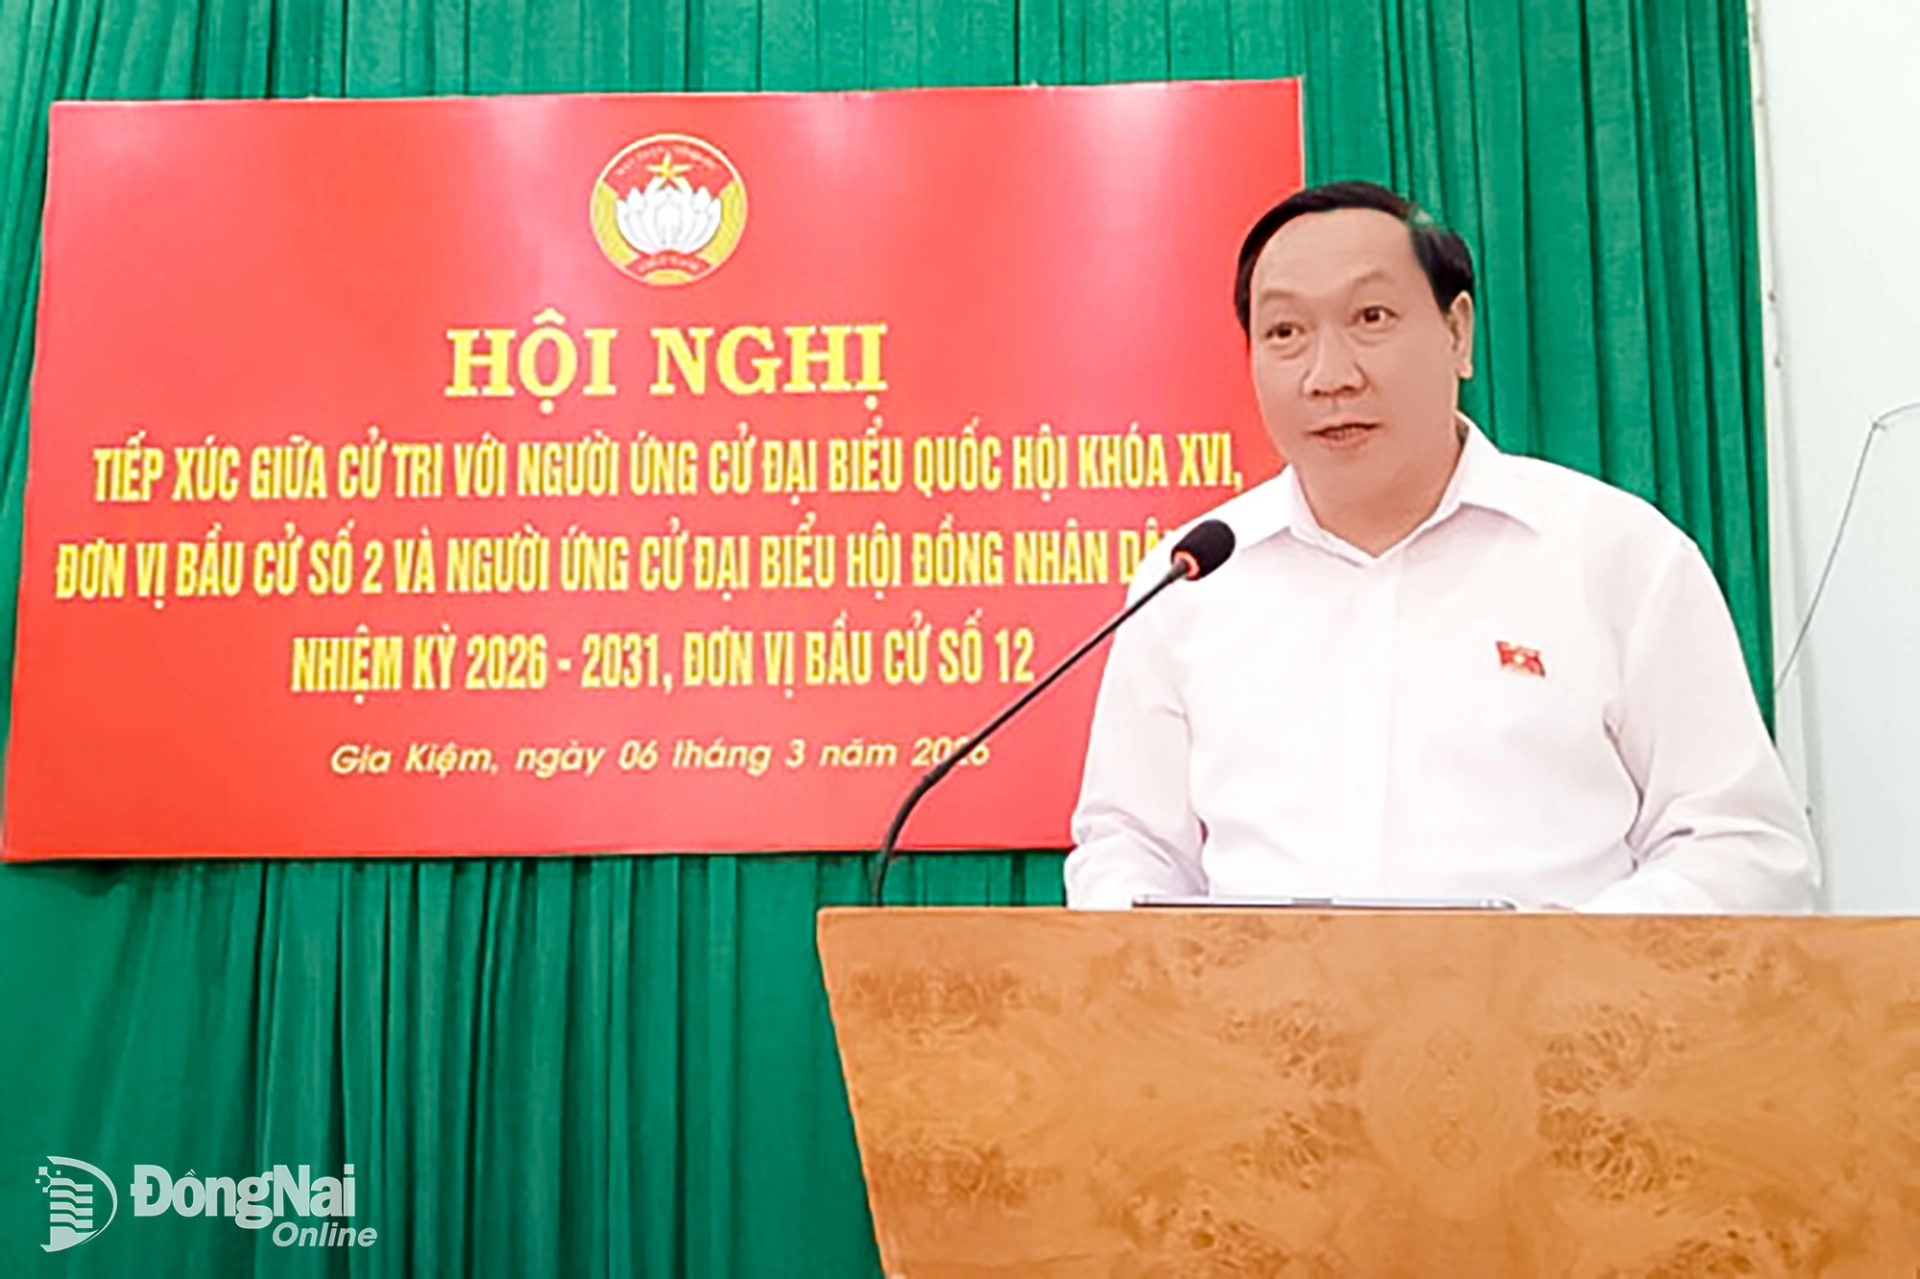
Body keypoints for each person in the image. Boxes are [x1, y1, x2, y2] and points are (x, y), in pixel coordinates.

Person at [1064, 181, 1817, 912]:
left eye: (1371, 317)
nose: (1329, 376)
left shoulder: (1616, 555)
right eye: (1285, 332)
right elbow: (1130, 846)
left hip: (1550, 1001)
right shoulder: (1191, 582)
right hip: (1258, 1004)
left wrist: (1560, 961)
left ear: (1458, 333)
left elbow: (1744, 848)